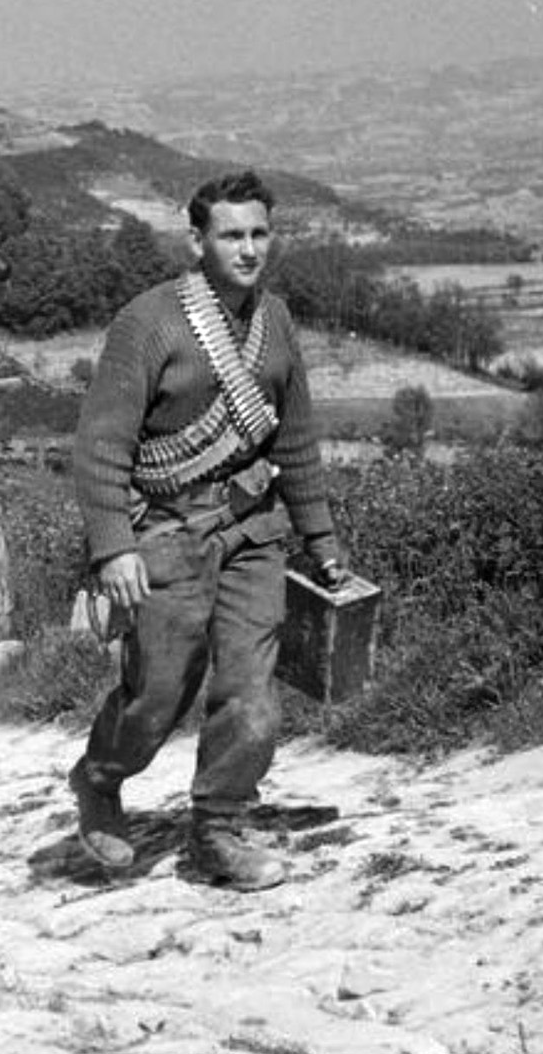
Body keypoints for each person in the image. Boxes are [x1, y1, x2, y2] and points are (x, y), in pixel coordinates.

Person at [67, 170, 347, 891]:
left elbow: (296, 440)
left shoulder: (275, 321)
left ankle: (219, 823)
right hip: (166, 532)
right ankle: (100, 777)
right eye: (231, 234)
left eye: (259, 233)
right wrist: (112, 547)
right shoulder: (150, 322)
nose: (249, 249)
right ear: (198, 241)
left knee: (252, 693)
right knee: (157, 692)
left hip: (253, 529)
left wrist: (323, 544)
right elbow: (101, 445)